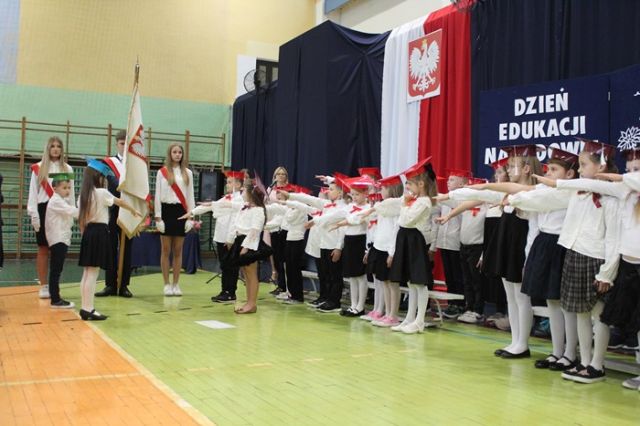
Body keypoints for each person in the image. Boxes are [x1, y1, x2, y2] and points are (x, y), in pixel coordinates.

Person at [524, 139, 619, 383]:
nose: (580, 169)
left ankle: (597, 364)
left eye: (584, 164)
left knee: (598, 314)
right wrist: (514, 200)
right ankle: (583, 361)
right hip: (573, 253)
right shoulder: (577, 194)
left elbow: (613, 239)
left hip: (595, 258)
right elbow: (545, 199)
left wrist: (606, 272)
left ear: (601, 166)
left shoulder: (610, 199)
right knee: (579, 313)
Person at [445, 145, 543, 358]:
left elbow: (532, 229)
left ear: (526, 169)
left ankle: (523, 343)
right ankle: (515, 340)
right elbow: (479, 195)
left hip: (520, 249)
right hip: (507, 246)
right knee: (511, 296)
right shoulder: (506, 193)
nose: (508, 170)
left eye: (512, 166)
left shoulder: (533, 193)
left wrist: (528, 258)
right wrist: (447, 201)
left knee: (521, 298)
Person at [77, 159, 141, 320]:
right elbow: (119, 202)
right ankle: (89, 308)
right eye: (103, 177)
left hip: (88, 232)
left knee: (87, 273)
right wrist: (134, 210)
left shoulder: (83, 195)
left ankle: (85, 307)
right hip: (99, 232)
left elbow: (81, 219)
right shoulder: (102, 193)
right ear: (98, 177)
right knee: (93, 273)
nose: (105, 180)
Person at [288, 177, 347, 313]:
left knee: (335, 275)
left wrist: (338, 247)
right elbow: (309, 201)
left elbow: (343, 230)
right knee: (327, 274)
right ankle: (327, 299)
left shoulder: (343, 207)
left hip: (333, 245)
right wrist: (289, 196)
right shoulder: (327, 205)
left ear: (340, 193)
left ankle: (335, 302)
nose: (328, 191)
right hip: (324, 244)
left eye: (331, 189)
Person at [27, 136, 75, 299]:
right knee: (43, 248)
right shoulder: (38, 168)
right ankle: (43, 286)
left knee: (58, 249)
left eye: (58, 146)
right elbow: (33, 193)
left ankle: (54, 286)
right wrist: (34, 214)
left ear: (62, 149)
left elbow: (70, 194)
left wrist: (71, 214)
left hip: (61, 211)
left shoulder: (67, 169)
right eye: (52, 146)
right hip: (43, 209)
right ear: (48, 148)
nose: (55, 149)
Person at [358, 175, 404, 326]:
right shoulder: (383, 205)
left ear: (391, 189)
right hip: (379, 247)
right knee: (384, 282)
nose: (380, 191)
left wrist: (391, 252)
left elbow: (395, 231)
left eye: (383, 188)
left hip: (388, 249)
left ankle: (393, 315)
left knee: (392, 284)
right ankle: (385, 312)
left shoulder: (396, 207)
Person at [95, 130, 134, 298]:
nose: (124, 146)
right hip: (112, 208)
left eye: (127, 144)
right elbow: (106, 182)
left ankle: (124, 285)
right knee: (110, 246)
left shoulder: (136, 164)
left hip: (129, 208)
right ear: (117, 144)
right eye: (122, 143)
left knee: (128, 248)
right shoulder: (109, 163)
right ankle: (110, 284)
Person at [154, 143, 195, 297]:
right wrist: (158, 218)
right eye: (174, 152)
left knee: (178, 250)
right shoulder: (162, 172)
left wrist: (190, 217)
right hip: (166, 211)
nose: (177, 154)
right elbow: (157, 195)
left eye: (180, 152)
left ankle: (176, 284)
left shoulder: (188, 173)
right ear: (170, 154)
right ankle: (166, 284)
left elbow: (190, 196)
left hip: (181, 212)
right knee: (165, 250)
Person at [226, 179, 272, 313]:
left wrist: (246, 247)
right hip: (241, 240)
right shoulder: (245, 207)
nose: (242, 191)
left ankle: (252, 303)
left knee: (251, 274)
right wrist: (231, 240)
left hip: (250, 243)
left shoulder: (258, 210)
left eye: (244, 190)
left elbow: (255, 230)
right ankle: (249, 302)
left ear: (251, 193)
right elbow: (237, 223)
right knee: (246, 274)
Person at [433, 170, 470, 319]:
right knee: (449, 276)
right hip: (444, 241)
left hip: (456, 242)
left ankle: (460, 304)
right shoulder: (446, 198)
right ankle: (451, 303)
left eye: (452, 180)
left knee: (457, 275)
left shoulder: (462, 198)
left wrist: (437, 196)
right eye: (448, 179)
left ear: (462, 183)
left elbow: (452, 203)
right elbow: (436, 207)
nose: (448, 182)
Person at [44, 173, 79, 308]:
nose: (68, 190)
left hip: (61, 238)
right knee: (56, 270)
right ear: (55, 188)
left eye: (69, 187)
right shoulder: (56, 201)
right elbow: (72, 212)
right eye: (64, 188)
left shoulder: (60, 200)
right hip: (58, 239)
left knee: (57, 269)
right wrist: (87, 209)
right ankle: (55, 299)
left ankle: (55, 297)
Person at [267, 166, 289, 295]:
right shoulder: (270, 189)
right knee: (275, 255)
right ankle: (280, 284)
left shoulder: (289, 189)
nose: (280, 176)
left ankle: (284, 286)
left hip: (283, 224)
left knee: (282, 256)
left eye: (283, 174)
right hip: (272, 224)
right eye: (278, 174)